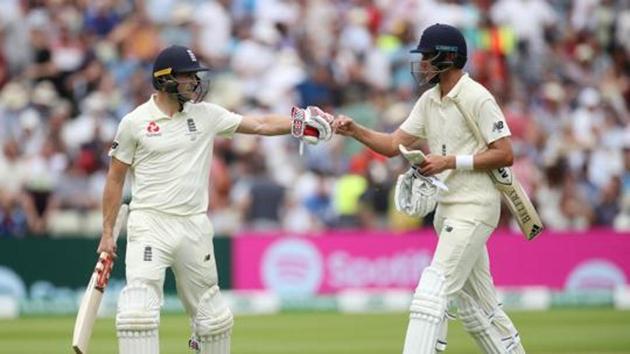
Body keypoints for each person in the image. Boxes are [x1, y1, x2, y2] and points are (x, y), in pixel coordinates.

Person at [97, 45, 333, 354]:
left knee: (214, 319)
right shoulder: (134, 122)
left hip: (194, 225)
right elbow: (115, 178)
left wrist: (296, 123)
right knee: (137, 313)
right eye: (188, 77)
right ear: (165, 79)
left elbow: (258, 124)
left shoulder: (206, 115)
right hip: (150, 223)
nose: (195, 83)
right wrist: (107, 232)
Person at [334, 24, 525, 354]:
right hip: (447, 209)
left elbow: (505, 153)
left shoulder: (477, 96)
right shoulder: (428, 100)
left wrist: (449, 162)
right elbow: (394, 144)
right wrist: (355, 131)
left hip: (475, 207)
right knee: (476, 306)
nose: (421, 64)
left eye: (426, 56)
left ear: (447, 58)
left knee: (431, 292)